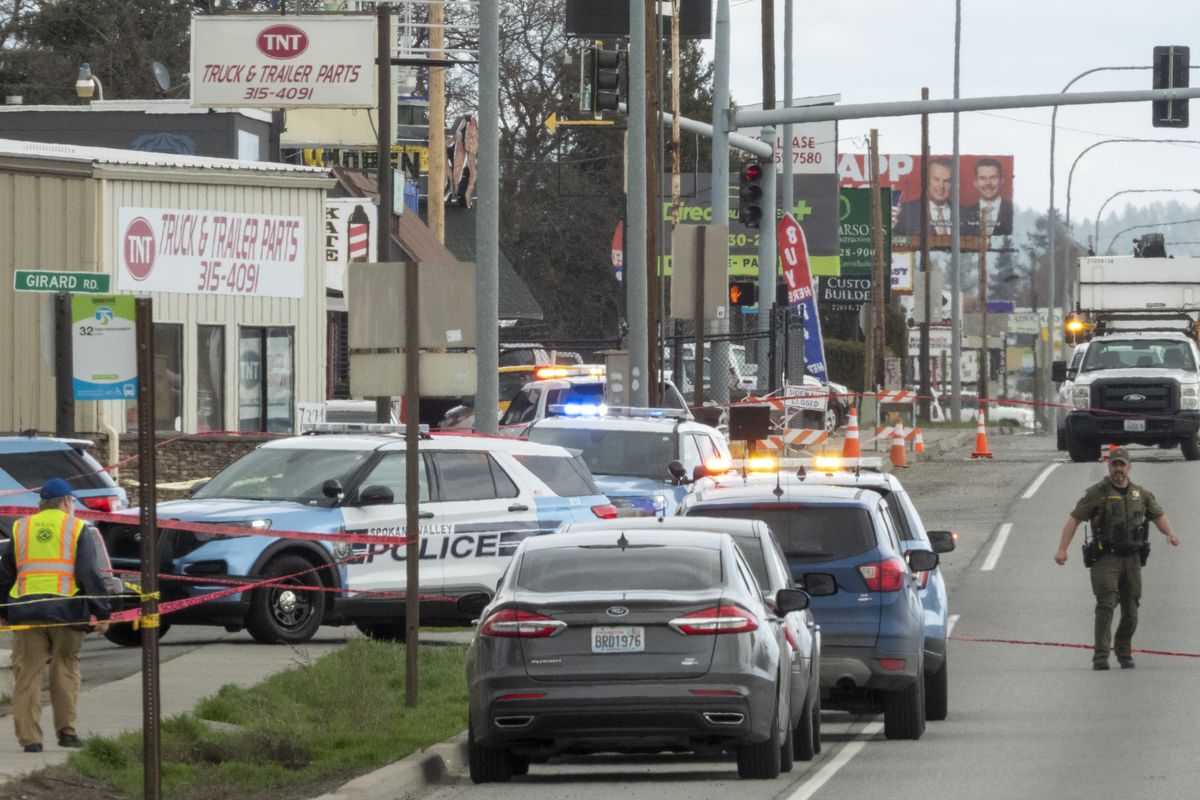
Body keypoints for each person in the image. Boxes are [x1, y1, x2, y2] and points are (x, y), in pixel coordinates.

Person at [0, 478, 112, 753]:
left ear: (42, 503)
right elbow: (88, 573)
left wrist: (3, 610)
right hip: (68, 612)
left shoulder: (20, 527)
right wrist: (102, 611)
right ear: (65, 501)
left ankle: (30, 740)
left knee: (27, 675)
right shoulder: (76, 528)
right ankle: (67, 733)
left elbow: (6, 573)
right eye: (71, 501)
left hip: (27, 612)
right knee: (65, 669)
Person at [1054, 448, 1180, 670]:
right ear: (1109, 466)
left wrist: (1169, 533)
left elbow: (1158, 515)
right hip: (1106, 558)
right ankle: (1100, 655)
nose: (1118, 469)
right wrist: (1062, 549)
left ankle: (1124, 651)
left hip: (1132, 559)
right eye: (1115, 465)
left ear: (1129, 467)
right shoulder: (1097, 493)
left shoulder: (1140, 494)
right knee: (1106, 605)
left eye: (1122, 465)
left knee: (1131, 610)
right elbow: (1074, 520)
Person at [893, 158, 953, 235]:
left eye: (946, 181)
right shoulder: (905, 211)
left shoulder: (964, 214)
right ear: (926, 181)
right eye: (936, 179)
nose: (941, 186)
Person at [961, 158, 1014, 236]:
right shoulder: (963, 215)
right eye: (983, 178)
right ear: (975, 183)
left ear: (1001, 180)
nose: (988, 183)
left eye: (993, 178)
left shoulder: (1014, 212)